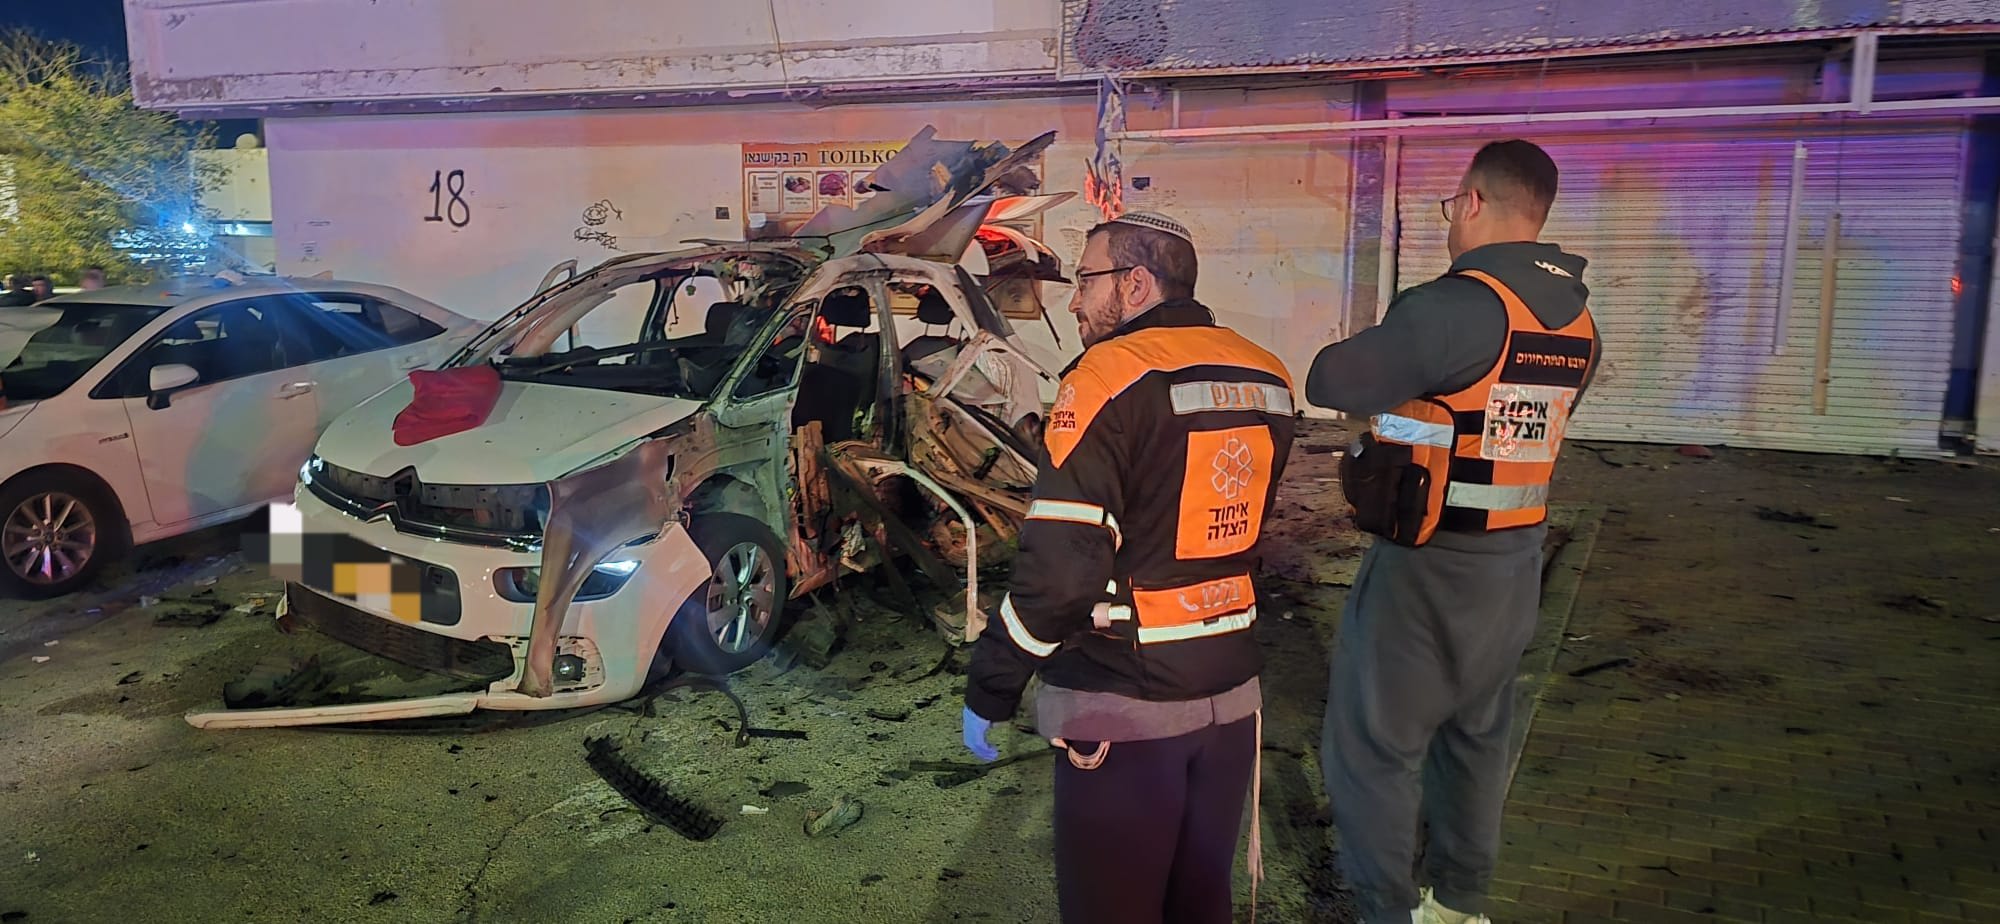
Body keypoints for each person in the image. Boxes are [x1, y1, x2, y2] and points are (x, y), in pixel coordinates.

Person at [961, 211, 1297, 924]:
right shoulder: (1266, 372)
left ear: (1136, 284)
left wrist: (992, 683)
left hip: (1127, 705)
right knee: (1199, 904)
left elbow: (1062, 574)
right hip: (1233, 696)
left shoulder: (1107, 376)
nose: (1075, 301)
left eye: (1086, 280)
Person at [1306, 139, 1600, 924]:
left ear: (1472, 201)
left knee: (1373, 748)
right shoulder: (1576, 320)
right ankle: (1460, 903)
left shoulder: (1457, 304)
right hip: (1514, 563)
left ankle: (1384, 910)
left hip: (1429, 565)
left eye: (1449, 207)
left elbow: (1333, 378)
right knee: (1475, 739)